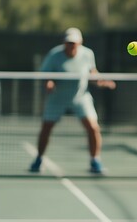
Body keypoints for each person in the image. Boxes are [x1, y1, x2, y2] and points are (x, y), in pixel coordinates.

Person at [30, 27, 116, 174]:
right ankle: (39, 159)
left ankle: (95, 161)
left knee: (93, 128)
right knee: (46, 128)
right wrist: (49, 82)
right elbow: (46, 74)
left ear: (80, 43)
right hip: (57, 98)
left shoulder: (87, 54)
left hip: (80, 97)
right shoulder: (54, 55)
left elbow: (92, 73)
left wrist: (102, 82)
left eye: (74, 43)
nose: (71, 45)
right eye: (68, 42)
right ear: (64, 42)